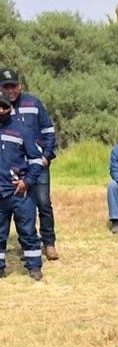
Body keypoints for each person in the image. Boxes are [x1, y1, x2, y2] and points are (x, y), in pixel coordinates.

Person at [0, 67, 58, 261]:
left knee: (43, 203)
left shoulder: (33, 103)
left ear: (20, 85)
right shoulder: (1, 106)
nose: (10, 90)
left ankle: (48, 243)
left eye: (13, 86)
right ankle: (27, 246)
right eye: (6, 86)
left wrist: (46, 156)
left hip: (37, 164)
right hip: (13, 171)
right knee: (22, 208)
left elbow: (49, 131)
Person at [0, 91, 43, 280]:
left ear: (10, 108)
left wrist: (27, 182)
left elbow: (35, 160)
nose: (1, 110)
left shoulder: (22, 130)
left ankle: (34, 267)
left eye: (4, 106)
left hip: (19, 192)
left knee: (27, 230)